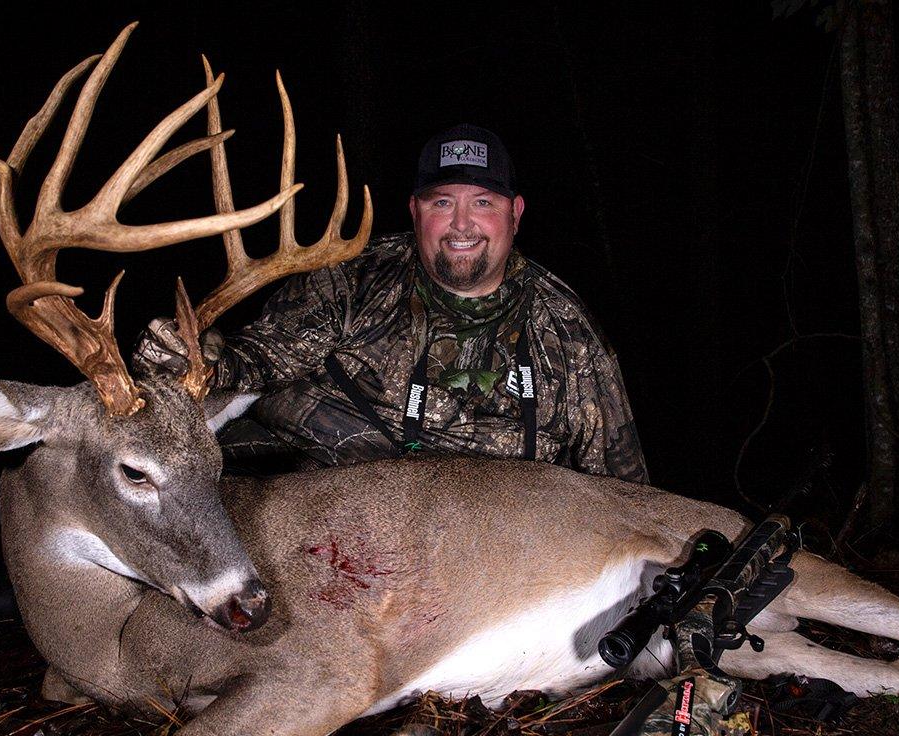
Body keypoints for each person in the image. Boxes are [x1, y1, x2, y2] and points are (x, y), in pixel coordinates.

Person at [136, 124, 648, 483]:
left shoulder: (566, 332)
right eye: (442, 202)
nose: (462, 224)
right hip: (340, 542)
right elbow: (261, 360)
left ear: (515, 213)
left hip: (500, 567)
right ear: (415, 210)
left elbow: (625, 487)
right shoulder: (354, 281)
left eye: (483, 203)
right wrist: (199, 362)